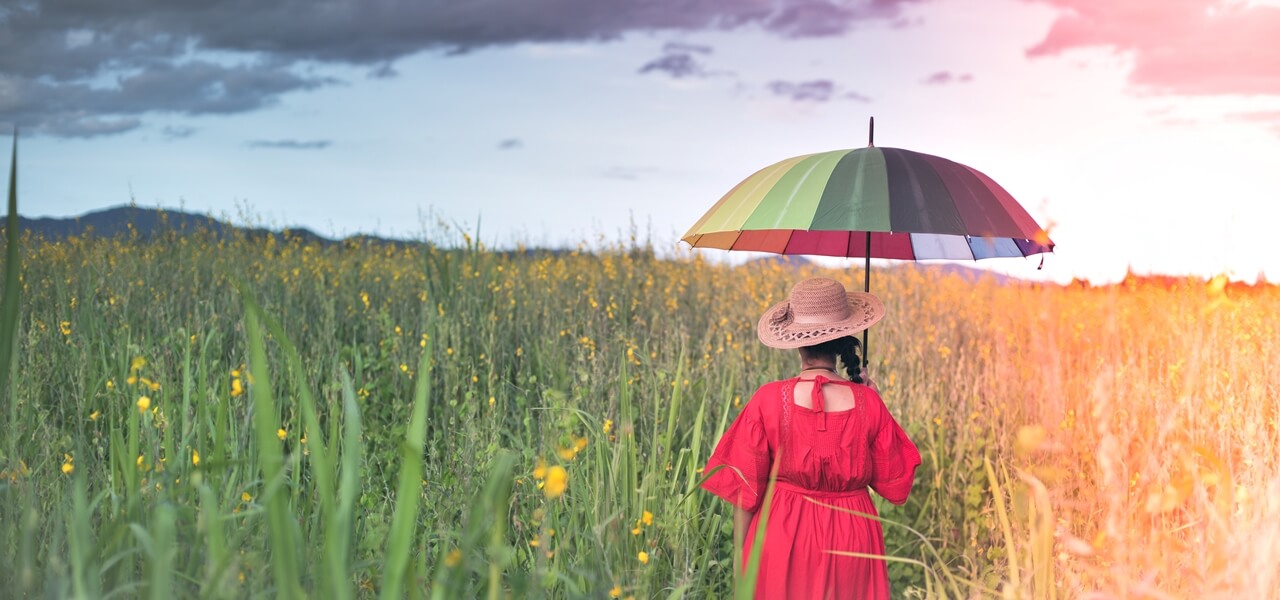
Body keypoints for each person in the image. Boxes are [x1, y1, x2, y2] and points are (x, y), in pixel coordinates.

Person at [701, 277, 921, 599]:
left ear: (796, 341)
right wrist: (874, 400)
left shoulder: (767, 399)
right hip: (853, 538)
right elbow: (895, 480)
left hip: (782, 535)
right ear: (843, 338)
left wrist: (741, 562)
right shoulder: (868, 402)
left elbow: (744, 492)